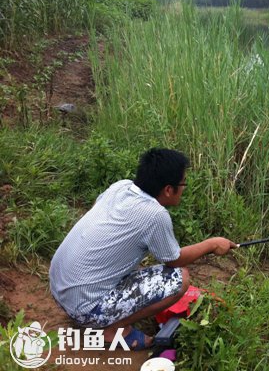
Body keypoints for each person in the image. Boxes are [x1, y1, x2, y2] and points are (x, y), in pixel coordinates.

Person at [49, 148, 238, 350]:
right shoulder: (155, 215)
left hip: (59, 288)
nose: (184, 188)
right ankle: (112, 331)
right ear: (168, 189)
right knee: (179, 279)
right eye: (183, 183)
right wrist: (212, 244)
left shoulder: (121, 187)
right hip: (84, 308)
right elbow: (174, 260)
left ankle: (101, 314)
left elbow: (99, 207)